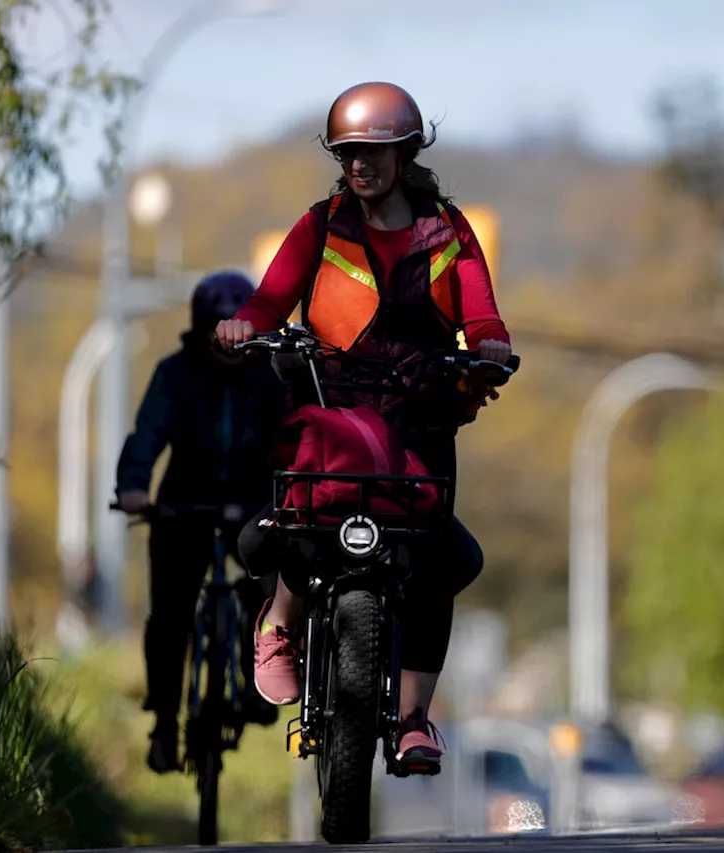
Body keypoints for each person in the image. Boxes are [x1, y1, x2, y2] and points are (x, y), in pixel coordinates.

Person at [215, 81, 513, 774]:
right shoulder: (320, 224)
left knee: (436, 553)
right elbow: (268, 300)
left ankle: (413, 718)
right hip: (331, 399)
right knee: (301, 510)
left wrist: (490, 348)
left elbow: (484, 315)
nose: (359, 165)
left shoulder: (451, 229)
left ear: (407, 154)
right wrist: (244, 327)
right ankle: (280, 627)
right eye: (349, 152)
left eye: (375, 152)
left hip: (423, 412)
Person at [115, 270, 288, 773]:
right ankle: (165, 721)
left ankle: (260, 674)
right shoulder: (176, 372)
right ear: (202, 329)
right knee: (169, 617)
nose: (231, 345)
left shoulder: (271, 377)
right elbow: (147, 433)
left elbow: (294, 440)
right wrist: (133, 487)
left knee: (273, 589)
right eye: (220, 331)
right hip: (182, 505)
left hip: (254, 507)